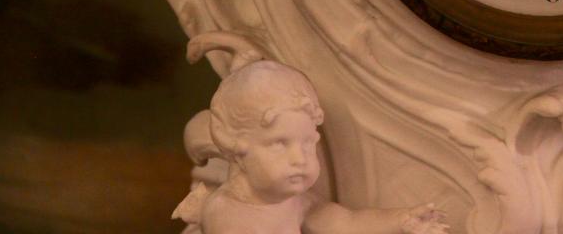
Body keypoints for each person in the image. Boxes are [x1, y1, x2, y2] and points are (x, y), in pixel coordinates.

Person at [176, 57, 448, 234]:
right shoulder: (229, 216)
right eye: (280, 144)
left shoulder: (289, 201)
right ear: (237, 147)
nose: (300, 159)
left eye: (307, 144)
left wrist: (400, 221)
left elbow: (344, 223)